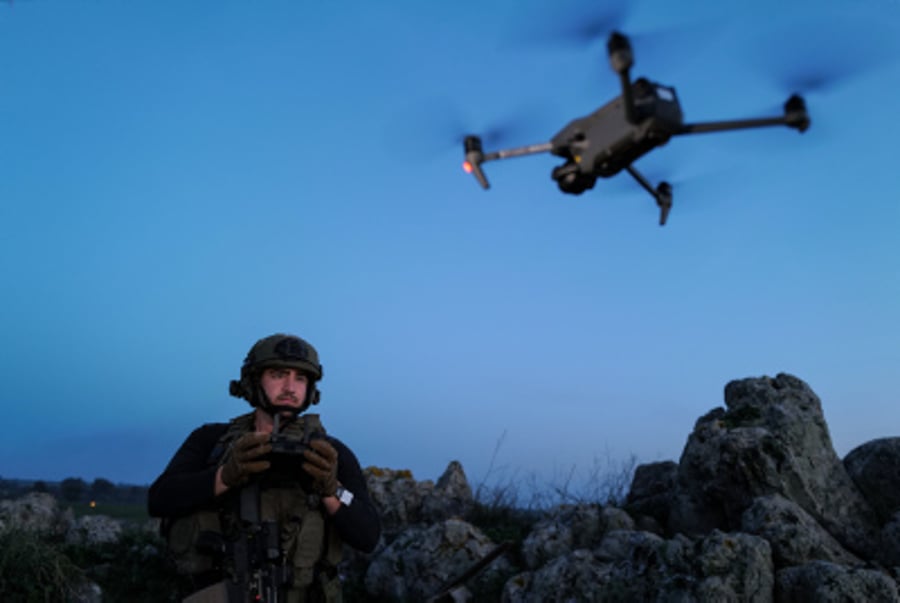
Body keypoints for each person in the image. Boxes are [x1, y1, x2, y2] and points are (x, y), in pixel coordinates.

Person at [148, 333, 381, 602]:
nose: (290, 387)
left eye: (300, 378)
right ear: (254, 380)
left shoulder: (330, 453)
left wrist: (333, 490)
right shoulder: (211, 441)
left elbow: (368, 536)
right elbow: (159, 499)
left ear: (311, 389)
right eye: (278, 374)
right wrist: (225, 476)